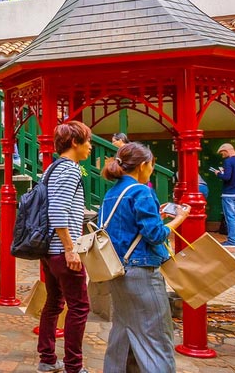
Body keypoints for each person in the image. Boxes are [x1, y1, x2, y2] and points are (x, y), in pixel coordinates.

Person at [99, 142, 190, 373]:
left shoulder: (112, 193)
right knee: (156, 337)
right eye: (151, 165)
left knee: (123, 333)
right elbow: (155, 234)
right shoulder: (142, 191)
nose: (151, 170)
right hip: (142, 272)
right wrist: (179, 218)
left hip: (117, 271)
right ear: (143, 165)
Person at [37, 121, 92, 373]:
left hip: (49, 249)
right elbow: (58, 211)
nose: (90, 147)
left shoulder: (50, 169)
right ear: (74, 142)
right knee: (79, 307)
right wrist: (70, 248)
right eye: (87, 141)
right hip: (62, 250)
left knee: (54, 302)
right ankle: (74, 366)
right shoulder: (70, 170)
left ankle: (47, 359)